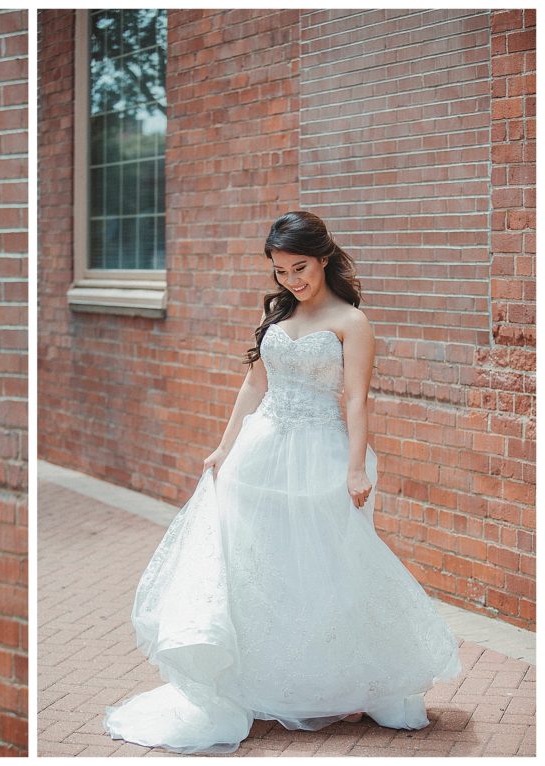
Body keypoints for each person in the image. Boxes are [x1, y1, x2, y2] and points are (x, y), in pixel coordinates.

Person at [104, 211, 461, 753]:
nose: (292, 280)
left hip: (321, 455)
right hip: (262, 453)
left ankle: (345, 678)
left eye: (300, 268)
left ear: (323, 258)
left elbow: (356, 399)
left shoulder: (351, 323)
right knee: (256, 565)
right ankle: (257, 681)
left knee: (328, 566)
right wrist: (224, 447)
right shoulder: (280, 316)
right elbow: (253, 387)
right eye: (280, 271)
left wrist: (356, 467)